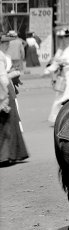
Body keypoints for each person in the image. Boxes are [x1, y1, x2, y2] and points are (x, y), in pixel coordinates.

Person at [45, 29, 69, 126]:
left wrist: (67, 62)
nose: (65, 39)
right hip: (64, 75)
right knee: (60, 95)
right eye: (64, 38)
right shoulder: (65, 48)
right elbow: (57, 62)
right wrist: (49, 69)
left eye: (67, 37)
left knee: (68, 95)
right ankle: (57, 117)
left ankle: (66, 116)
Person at [0, 36, 28, 166]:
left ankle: (13, 153)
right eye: (5, 43)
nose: (7, 45)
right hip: (3, 89)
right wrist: (12, 74)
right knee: (8, 121)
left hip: (5, 87)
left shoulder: (4, 55)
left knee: (10, 121)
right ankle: (6, 155)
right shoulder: (0, 56)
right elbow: (2, 77)